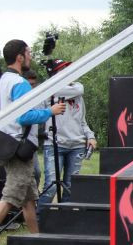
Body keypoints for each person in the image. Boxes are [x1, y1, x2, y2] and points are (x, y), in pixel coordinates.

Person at [0, 40, 65, 233]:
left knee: (28, 200)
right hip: (20, 146)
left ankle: (37, 240)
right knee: (11, 197)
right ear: (19, 57)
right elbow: (24, 116)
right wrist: (50, 112)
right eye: (28, 53)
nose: (31, 56)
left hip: (9, 143)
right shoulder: (20, 83)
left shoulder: (3, 81)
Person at [38, 60, 97, 207]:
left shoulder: (77, 95)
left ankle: (64, 220)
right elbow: (80, 88)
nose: (69, 72)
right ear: (55, 74)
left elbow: (82, 121)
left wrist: (90, 136)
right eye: (64, 69)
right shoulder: (49, 91)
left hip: (76, 145)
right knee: (51, 187)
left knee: (70, 187)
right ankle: (39, 220)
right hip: (54, 145)